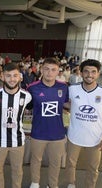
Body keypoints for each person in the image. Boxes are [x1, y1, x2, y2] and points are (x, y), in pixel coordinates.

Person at [65, 59, 102, 188]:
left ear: (98, 73)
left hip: (95, 139)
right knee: (70, 164)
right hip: (74, 136)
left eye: (93, 72)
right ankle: (71, 184)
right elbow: (67, 104)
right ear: (80, 72)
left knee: (93, 167)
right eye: (86, 71)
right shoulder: (72, 89)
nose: (89, 75)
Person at [26, 57, 69, 188]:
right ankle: (35, 183)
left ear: (58, 72)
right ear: (41, 70)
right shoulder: (32, 88)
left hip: (58, 134)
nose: (49, 72)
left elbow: (67, 105)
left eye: (53, 70)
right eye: (46, 69)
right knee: (36, 160)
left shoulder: (63, 87)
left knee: (55, 162)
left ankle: (52, 184)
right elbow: (27, 109)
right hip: (38, 133)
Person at [0, 63, 32, 188]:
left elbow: (30, 109)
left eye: (15, 76)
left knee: (17, 171)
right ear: (2, 77)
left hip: (17, 140)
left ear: (20, 77)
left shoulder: (27, 96)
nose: (12, 79)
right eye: (8, 76)